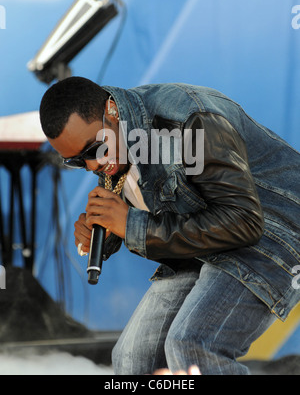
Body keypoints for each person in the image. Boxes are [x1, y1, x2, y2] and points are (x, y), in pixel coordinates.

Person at [39, 76, 300, 375]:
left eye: (92, 150)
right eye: (77, 161)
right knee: (131, 358)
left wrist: (131, 225)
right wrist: (107, 231)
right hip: (206, 244)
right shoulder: (113, 144)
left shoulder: (188, 120)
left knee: (193, 344)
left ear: (111, 110)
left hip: (275, 231)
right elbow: (145, 207)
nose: (92, 166)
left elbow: (244, 220)